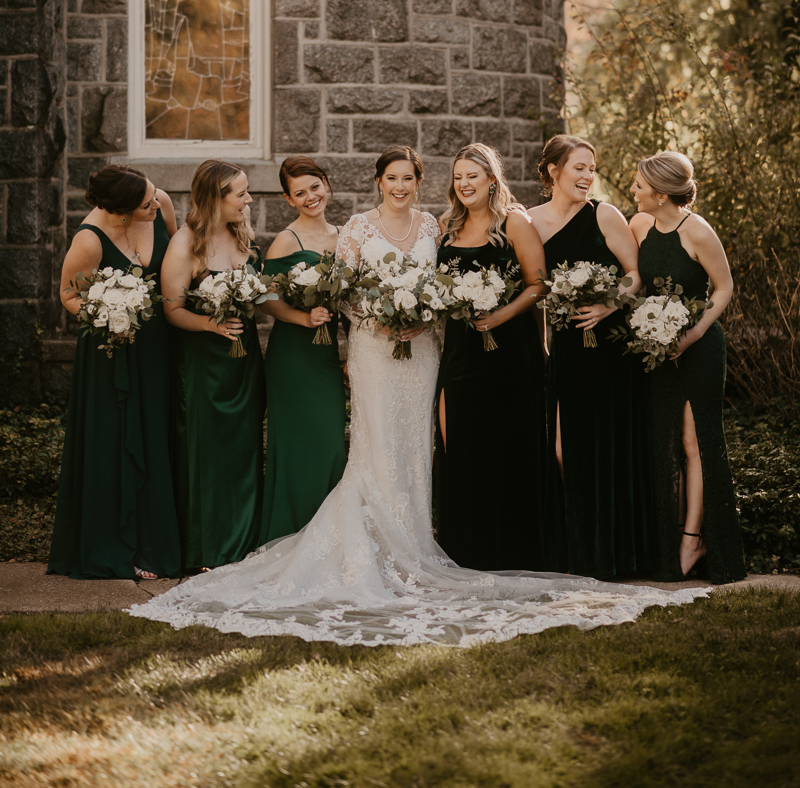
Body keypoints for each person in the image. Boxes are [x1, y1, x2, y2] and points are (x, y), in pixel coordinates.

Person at [129, 148, 707, 646]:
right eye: (391, 178)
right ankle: (372, 543)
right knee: (377, 444)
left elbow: (442, 291)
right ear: (378, 183)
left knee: (417, 444)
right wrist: (378, 318)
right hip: (375, 350)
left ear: (419, 183)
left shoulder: (435, 229)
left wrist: (420, 315)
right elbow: (349, 290)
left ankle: (418, 537)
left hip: (424, 350)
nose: (401, 186)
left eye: (409, 178)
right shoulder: (356, 228)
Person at [529, 134, 655, 580]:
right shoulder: (529, 221)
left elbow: (634, 274)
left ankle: (610, 556)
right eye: (579, 167)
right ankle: (572, 553)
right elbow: (533, 288)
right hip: (564, 347)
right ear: (553, 171)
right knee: (562, 448)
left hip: (608, 349)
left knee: (606, 447)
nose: (587, 176)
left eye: (591, 168)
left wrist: (608, 304)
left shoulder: (605, 214)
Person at [48, 164, 181, 580]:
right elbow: (69, 293)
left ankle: (158, 542)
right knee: (117, 440)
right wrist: (106, 311)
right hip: (111, 353)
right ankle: (117, 546)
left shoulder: (161, 204)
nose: (154, 205)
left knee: (158, 434)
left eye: (153, 195)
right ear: (121, 210)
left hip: (159, 346)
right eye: (144, 204)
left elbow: (177, 259)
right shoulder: (89, 240)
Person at [630, 151, 746, 583]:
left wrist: (692, 334)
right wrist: (611, 301)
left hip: (698, 347)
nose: (634, 192)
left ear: (661, 194)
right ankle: (663, 545)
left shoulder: (697, 230)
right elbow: (635, 279)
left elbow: (724, 286)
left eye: (639, 186)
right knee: (665, 443)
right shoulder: (640, 224)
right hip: (656, 349)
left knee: (696, 442)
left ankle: (694, 540)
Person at [435, 143, 548, 570]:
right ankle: (465, 552)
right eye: (458, 177)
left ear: (491, 181)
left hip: (510, 352)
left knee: (508, 447)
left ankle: (514, 551)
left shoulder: (515, 223)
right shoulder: (447, 226)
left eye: (473, 177)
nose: (464, 184)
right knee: (462, 444)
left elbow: (539, 284)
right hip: (463, 349)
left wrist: (499, 314)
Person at [162, 159, 266, 570]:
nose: (249, 200)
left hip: (244, 363)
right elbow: (172, 311)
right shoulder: (186, 243)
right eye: (241, 194)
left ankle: (243, 542)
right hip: (206, 365)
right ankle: (207, 548)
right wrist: (210, 324)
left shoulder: (243, 234)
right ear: (215, 198)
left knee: (243, 451)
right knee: (206, 453)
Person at [259, 156, 346, 543]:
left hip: (325, 356)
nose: (311, 197)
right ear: (288, 199)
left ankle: (329, 537)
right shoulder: (285, 240)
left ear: (326, 184)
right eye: (300, 193)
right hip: (294, 354)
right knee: (298, 443)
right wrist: (302, 317)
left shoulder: (347, 235)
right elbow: (266, 299)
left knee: (330, 441)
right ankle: (290, 534)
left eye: (315, 186)